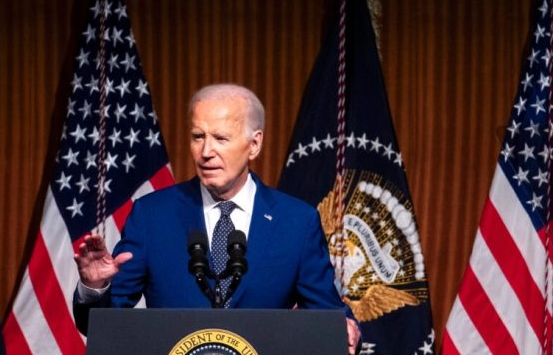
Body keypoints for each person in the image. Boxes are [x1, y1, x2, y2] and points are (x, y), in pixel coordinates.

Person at [73, 83, 361, 353]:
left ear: (254, 144)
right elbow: (102, 326)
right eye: (198, 137)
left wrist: (346, 329)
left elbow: (328, 316)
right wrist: (94, 287)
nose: (206, 152)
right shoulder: (152, 216)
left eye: (221, 138)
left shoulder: (296, 222)